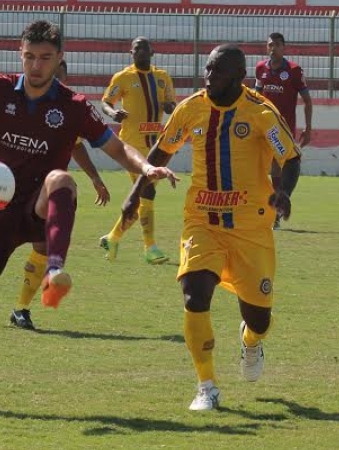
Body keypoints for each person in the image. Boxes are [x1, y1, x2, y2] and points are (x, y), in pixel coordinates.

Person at [0, 20, 177, 409]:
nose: (36, 66)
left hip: (38, 205)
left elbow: (115, 148)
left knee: (62, 179)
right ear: (21, 54)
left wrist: (145, 168)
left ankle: (55, 269)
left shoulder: (74, 106)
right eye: (30, 57)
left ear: (59, 59)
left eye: (45, 58)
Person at [121, 44, 301, 411]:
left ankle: (251, 341)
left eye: (216, 73)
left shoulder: (261, 112)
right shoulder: (191, 108)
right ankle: (207, 386)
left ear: (238, 77)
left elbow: (291, 156)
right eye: (207, 70)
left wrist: (283, 191)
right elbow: (160, 153)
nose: (208, 78)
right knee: (194, 293)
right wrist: (136, 193)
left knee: (259, 317)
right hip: (201, 219)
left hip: (251, 227)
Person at [0, 59, 111, 331]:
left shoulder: (66, 110)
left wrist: (94, 177)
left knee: (43, 248)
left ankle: (21, 309)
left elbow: (78, 146)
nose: (55, 83)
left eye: (60, 79)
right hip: (5, 191)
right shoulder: (20, 102)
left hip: (41, 196)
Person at [98, 36, 177, 264]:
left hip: (156, 146)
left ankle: (113, 237)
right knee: (147, 191)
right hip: (131, 146)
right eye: (135, 49)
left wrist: (170, 106)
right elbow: (106, 102)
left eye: (144, 49)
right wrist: (112, 113)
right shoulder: (123, 77)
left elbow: (171, 104)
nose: (139, 52)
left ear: (152, 52)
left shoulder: (162, 77)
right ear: (131, 54)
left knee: (142, 196)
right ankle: (150, 248)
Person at [254, 32, 312, 230]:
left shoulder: (294, 71)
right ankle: (267, 210)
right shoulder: (261, 68)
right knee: (264, 169)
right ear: (266, 47)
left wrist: (308, 127)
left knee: (279, 170)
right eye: (270, 45)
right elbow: (256, 97)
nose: (273, 48)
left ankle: (276, 213)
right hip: (262, 128)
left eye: (277, 45)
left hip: (283, 131)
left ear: (283, 47)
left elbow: (307, 100)